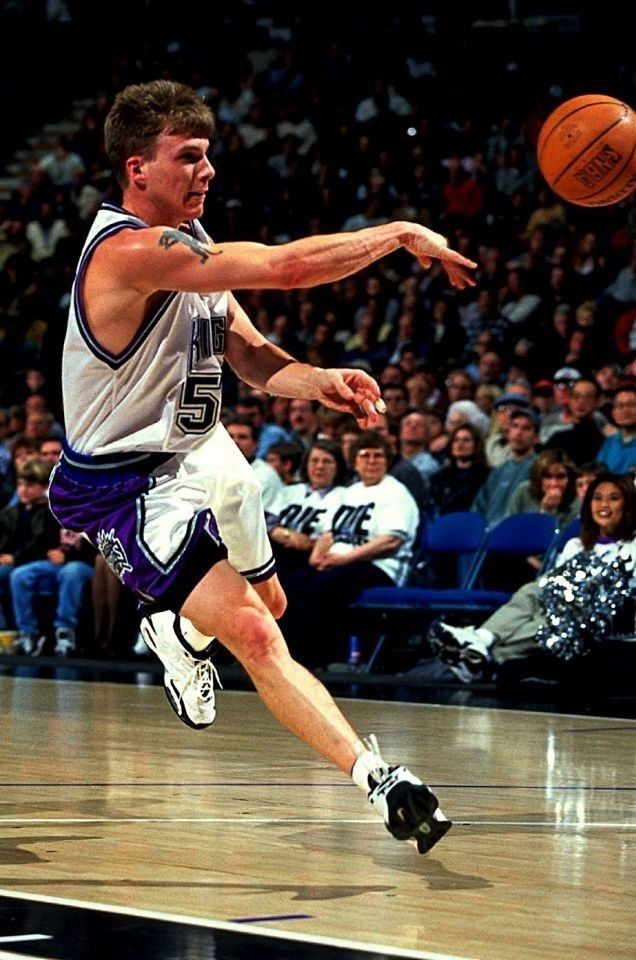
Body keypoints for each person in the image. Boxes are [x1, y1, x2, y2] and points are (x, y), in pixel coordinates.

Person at [48, 79, 475, 853]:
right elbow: (282, 270)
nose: (207, 171)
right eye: (189, 158)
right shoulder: (134, 251)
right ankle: (380, 780)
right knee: (253, 628)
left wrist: (315, 379)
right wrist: (402, 231)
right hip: (125, 484)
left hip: (192, 447)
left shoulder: (190, 237)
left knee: (272, 604)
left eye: (209, 156)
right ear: (136, 169)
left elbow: (242, 348)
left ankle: (172, 625)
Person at [429, 474, 636, 682]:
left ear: (628, 505)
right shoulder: (576, 545)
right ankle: (480, 645)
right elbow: (555, 585)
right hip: (563, 607)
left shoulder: (632, 546)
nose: (604, 505)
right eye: (597, 498)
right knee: (533, 590)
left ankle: (478, 648)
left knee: (555, 619)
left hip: (604, 619)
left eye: (613, 498)